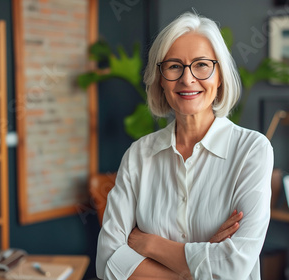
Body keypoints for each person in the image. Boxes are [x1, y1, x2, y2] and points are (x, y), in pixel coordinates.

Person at [96, 11, 273, 280]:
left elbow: (233, 267)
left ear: (220, 76)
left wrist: (152, 245)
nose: (187, 79)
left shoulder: (252, 150)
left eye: (202, 64)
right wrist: (191, 271)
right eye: (174, 66)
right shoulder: (138, 155)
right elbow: (107, 262)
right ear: (161, 79)